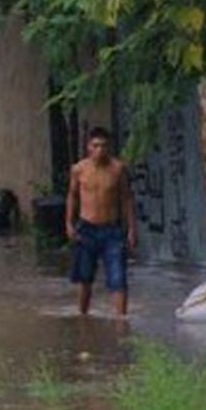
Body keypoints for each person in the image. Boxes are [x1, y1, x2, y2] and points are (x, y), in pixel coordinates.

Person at [65, 126, 138, 315]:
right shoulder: (79, 169)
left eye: (104, 146)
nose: (100, 150)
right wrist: (69, 223)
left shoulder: (117, 169)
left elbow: (127, 198)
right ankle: (83, 317)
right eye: (95, 146)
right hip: (86, 228)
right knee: (84, 278)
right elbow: (72, 196)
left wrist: (131, 229)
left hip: (112, 230)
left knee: (118, 278)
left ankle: (122, 321)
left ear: (109, 147)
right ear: (88, 147)